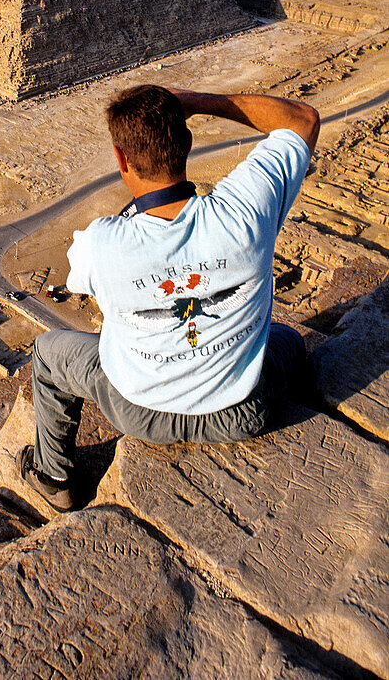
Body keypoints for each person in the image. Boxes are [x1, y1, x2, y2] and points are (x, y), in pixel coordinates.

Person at [19, 85, 320, 512]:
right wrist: (199, 102)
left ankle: (54, 478)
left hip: (139, 413)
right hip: (242, 411)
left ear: (122, 159)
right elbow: (303, 120)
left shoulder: (101, 243)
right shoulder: (246, 210)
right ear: (188, 141)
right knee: (288, 340)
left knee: (48, 353)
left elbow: (79, 279)